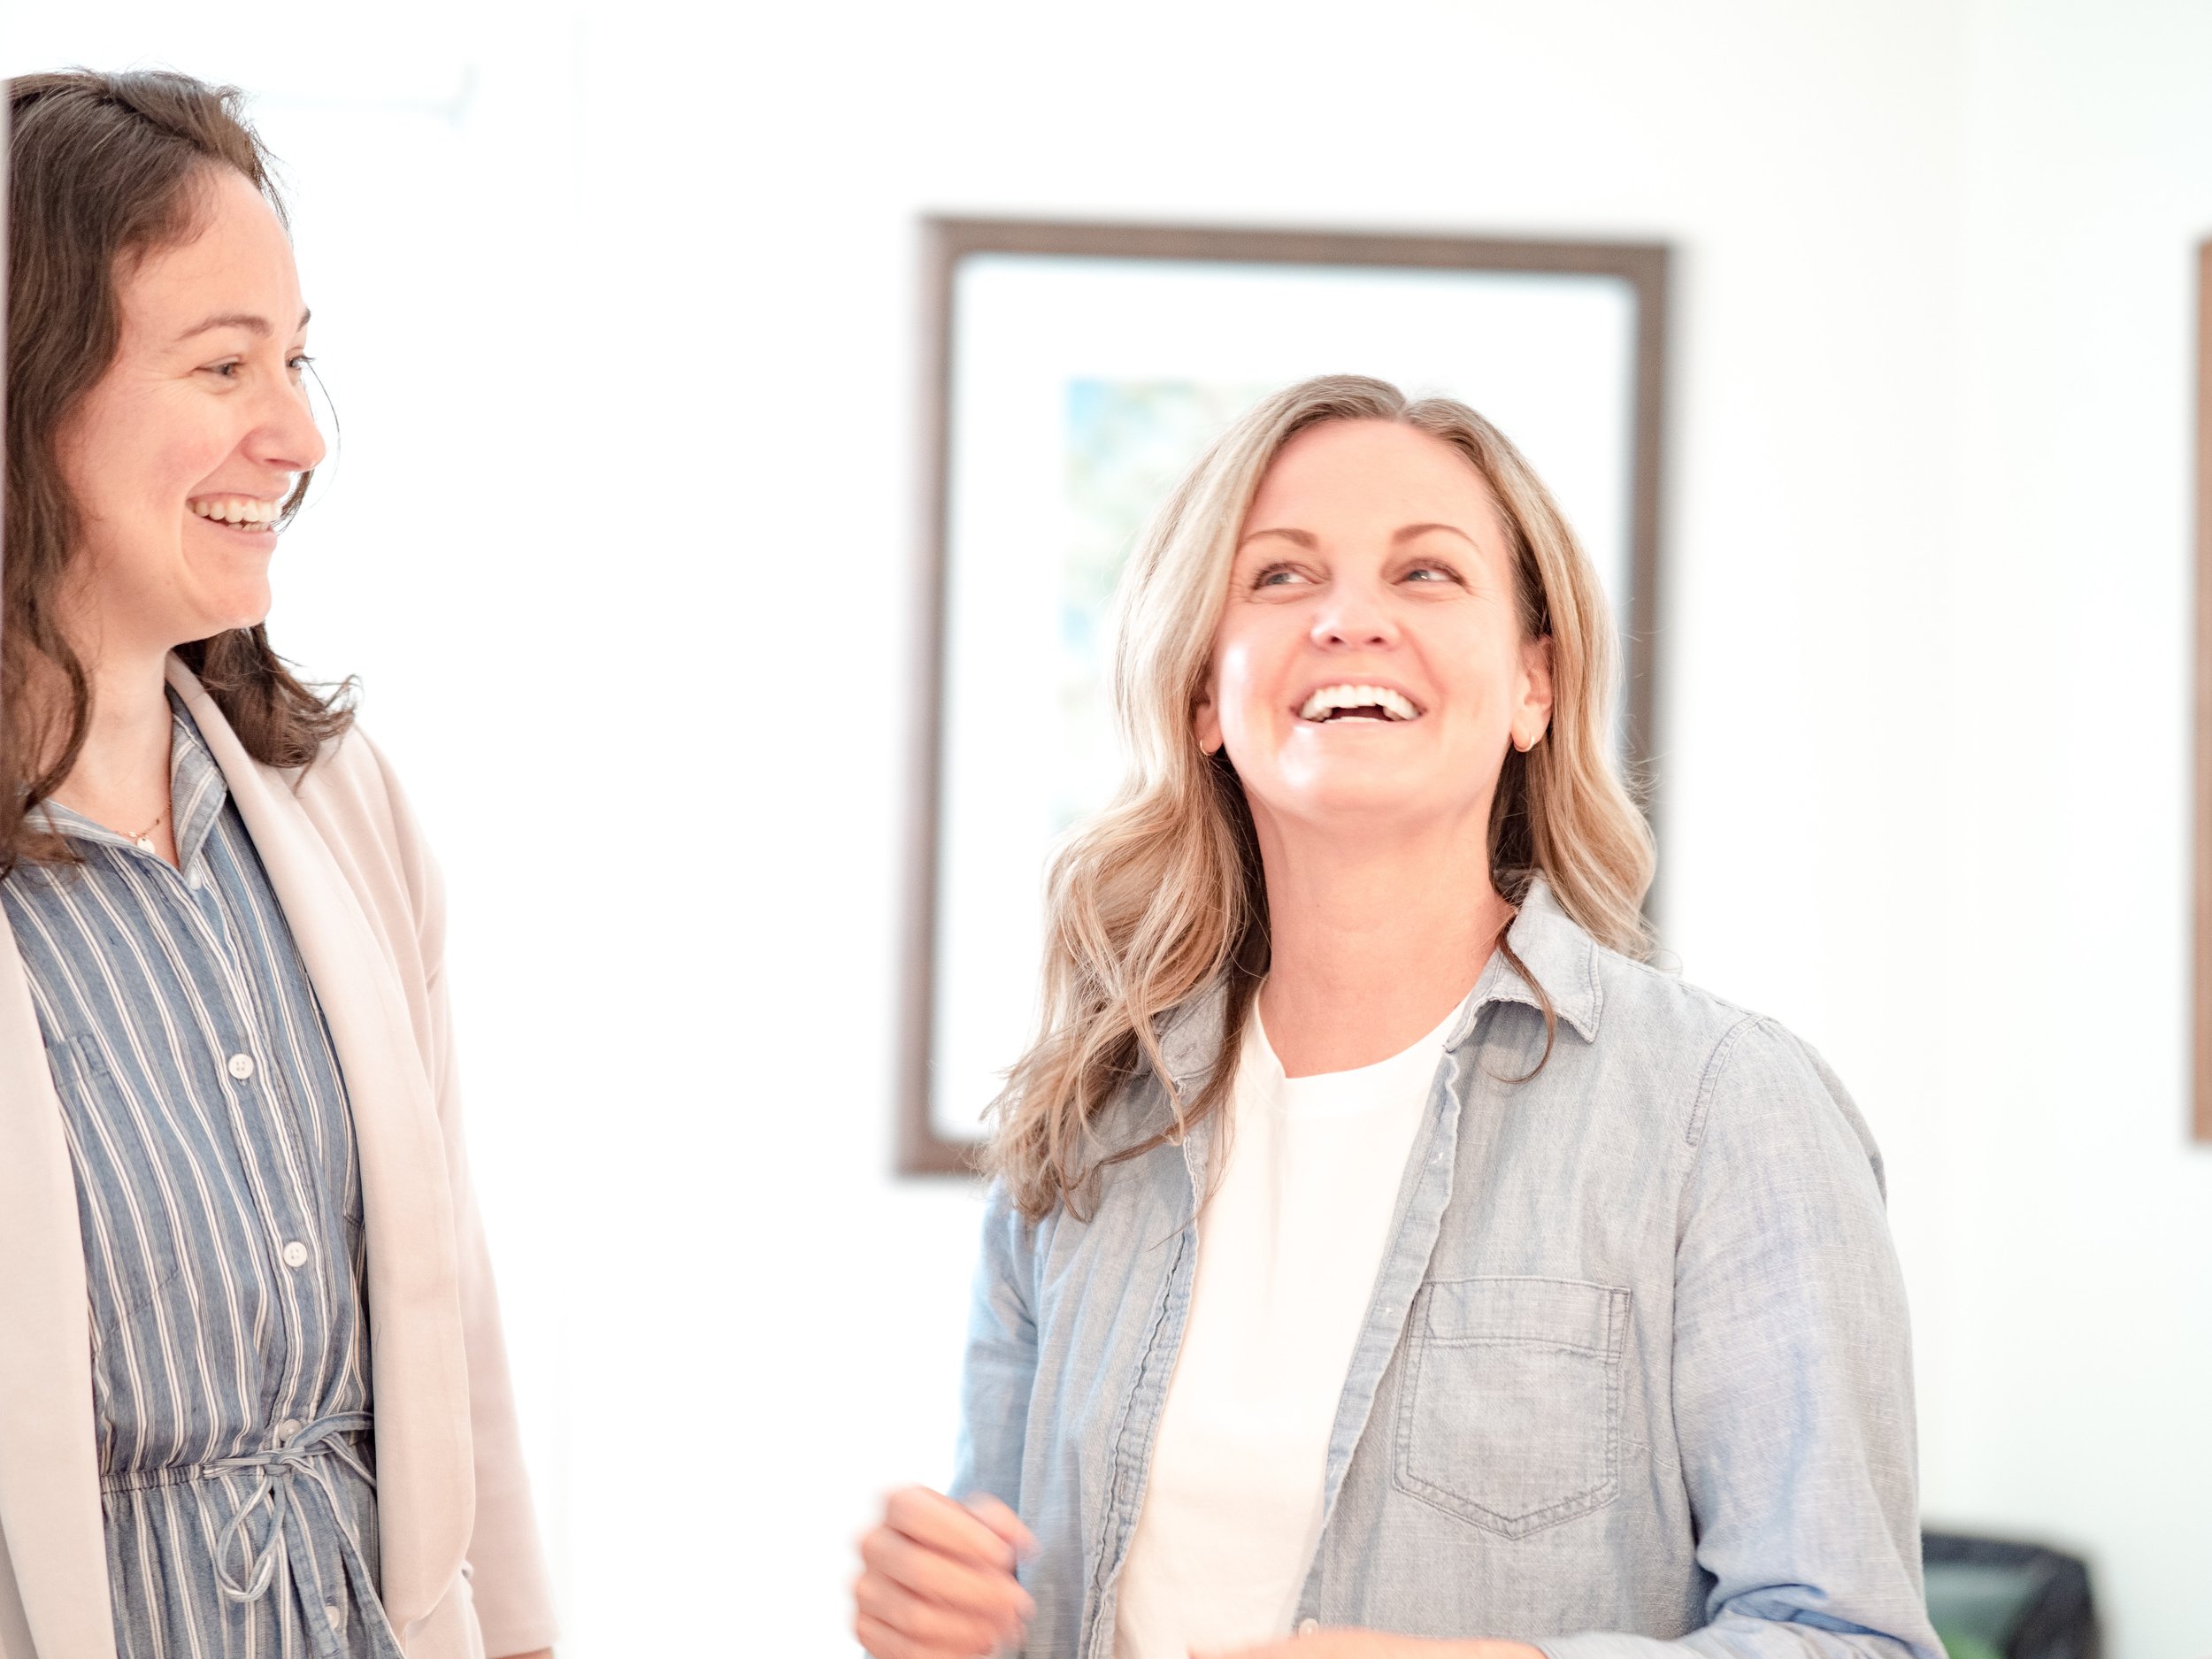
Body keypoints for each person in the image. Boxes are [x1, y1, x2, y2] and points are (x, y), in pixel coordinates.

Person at [852, 375, 1942, 1659]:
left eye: (1427, 574)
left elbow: (1854, 1641)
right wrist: (934, 1625)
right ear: (1206, 694)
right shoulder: (1080, 1131)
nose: (1349, 619)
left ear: (1535, 684)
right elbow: (1004, 1604)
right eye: (1277, 578)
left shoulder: (1726, 1111)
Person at [0, 71, 556, 1659]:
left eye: (296, 360)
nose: (300, 432)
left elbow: (454, 1335)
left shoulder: (339, 805)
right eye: (225, 363)